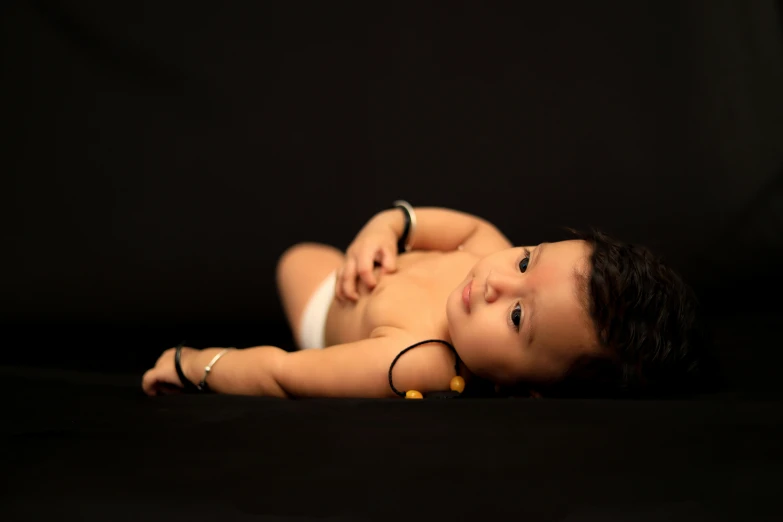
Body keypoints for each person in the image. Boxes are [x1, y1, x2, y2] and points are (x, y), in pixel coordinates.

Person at [141, 203, 710, 399]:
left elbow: (284, 375)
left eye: (517, 317)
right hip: (354, 270)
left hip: (323, 312)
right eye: (526, 261)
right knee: (304, 251)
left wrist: (197, 364)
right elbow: (461, 226)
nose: (497, 284)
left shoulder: (419, 358)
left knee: (295, 261)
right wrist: (386, 228)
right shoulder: (490, 252)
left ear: (530, 388)